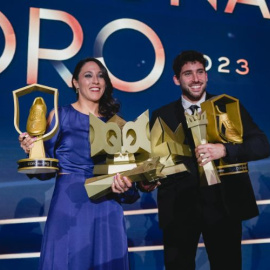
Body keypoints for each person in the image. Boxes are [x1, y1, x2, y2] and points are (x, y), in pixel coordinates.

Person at [144, 50, 270, 269]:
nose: (196, 79)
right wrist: (146, 181)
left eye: (200, 72)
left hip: (223, 206)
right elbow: (151, 162)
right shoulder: (161, 115)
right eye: (188, 74)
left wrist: (225, 150)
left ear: (207, 75)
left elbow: (261, 145)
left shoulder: (228, 107)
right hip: (179, 210)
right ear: (176, 79)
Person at [19, 57, 140, 270]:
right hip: (70, 204)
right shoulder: (60, 116)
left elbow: (128, 181)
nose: (96, 81)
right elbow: (45, 171)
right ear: (75, 82)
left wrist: (126, 185)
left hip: (107, 208)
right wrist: (32, 150)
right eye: (88, 75)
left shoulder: (117, 124)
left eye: (100, 76)